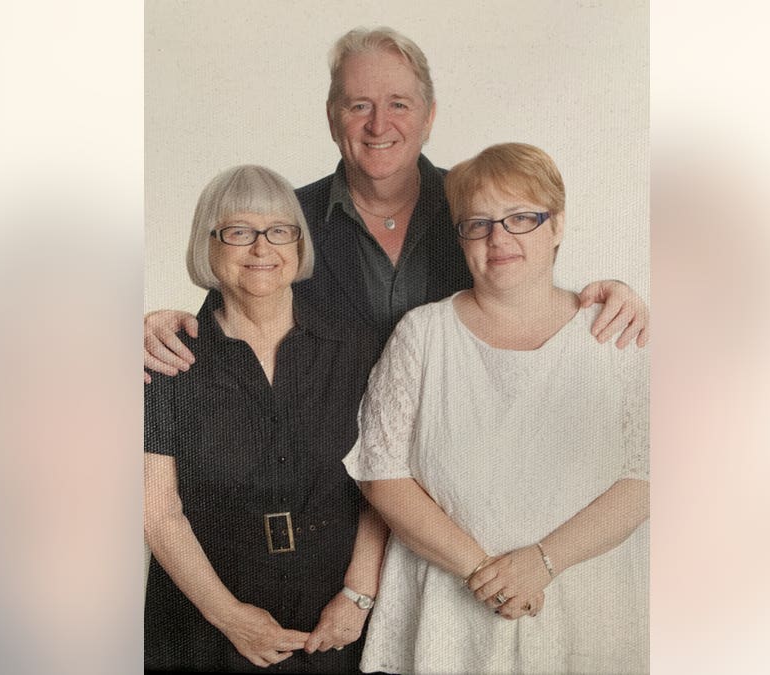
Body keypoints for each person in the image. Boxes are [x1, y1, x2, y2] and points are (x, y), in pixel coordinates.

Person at [143, 27, 649, 383]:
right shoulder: (283, 225)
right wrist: (162, 329)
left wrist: (612, 296)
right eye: (359, 105)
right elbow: (227, 326)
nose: (379, 125)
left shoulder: (480, 214)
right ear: (332, 118)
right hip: (324, 486)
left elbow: (538, 292)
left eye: (399, 105)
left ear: (428, 117)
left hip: (452, 472)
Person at [344, 143, 649, 674]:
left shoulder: (612, 333)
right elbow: (381, 474)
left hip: (583, 600)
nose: (499, 238)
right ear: (459, 237)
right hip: (448, 603)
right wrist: (483, 571)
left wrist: (542, 563)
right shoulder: (422, 334)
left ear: (557, 226)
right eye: (478, 223)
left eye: (521, 218)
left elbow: (646, 476)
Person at [143, 165, 388, 673]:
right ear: (207, 246)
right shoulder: (166, 359)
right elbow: (157, 511)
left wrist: (358, 596)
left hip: (335, 616)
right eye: (238, 232)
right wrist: (228, 616)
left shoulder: (357, 349)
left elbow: (383, 483)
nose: (262, 248)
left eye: (280, 231)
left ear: (299, 246)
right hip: (202, 623)